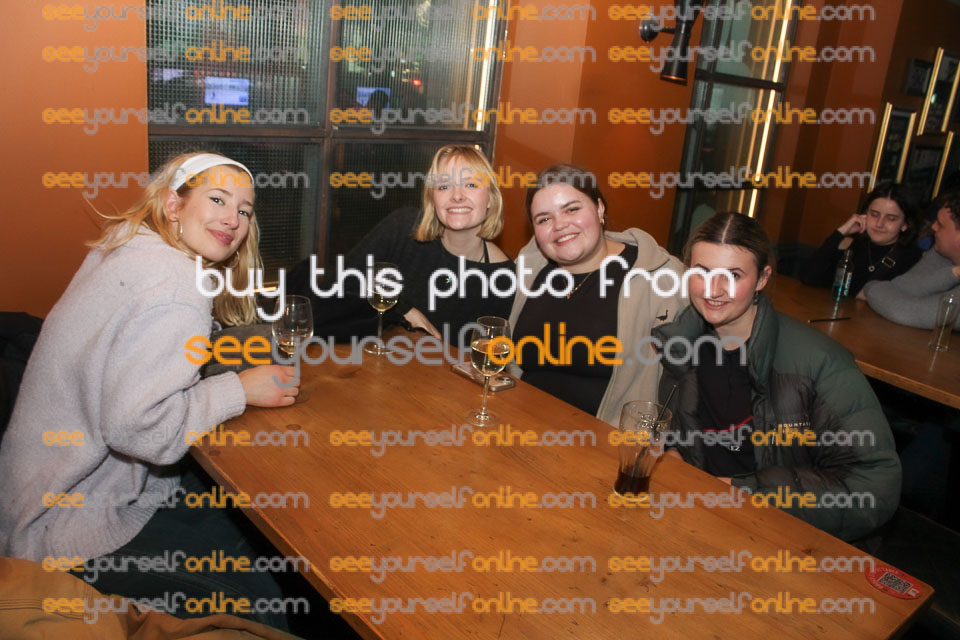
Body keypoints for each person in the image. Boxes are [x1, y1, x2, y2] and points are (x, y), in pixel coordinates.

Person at [0, 152, 300, 628]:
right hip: (62, 527)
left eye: (244, 210)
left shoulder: (126, 244)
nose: (233, 219)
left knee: (242, 519)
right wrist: (238, 389)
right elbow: (138, 430)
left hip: (25, 494)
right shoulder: (178, 288)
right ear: (173, 204)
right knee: (263, 600)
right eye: (217, 199)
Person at [654, 212, 901, 541]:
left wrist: (748, 493)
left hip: (782, 537)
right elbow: (689, 433)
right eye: (702, 272)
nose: (713, 289)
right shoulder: (680, 345)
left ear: (762, 279)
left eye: (733, 275)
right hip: (698, 518)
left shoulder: (819, 362)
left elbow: (875, 486)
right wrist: (675, 452)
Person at [507, 164, 686, 426]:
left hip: (605, 441)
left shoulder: (659, 278)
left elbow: (690, 379)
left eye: (572, 209)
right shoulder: (528, 268)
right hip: (517, 424)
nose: (560, 225)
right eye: (544, 219)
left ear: (599, 208)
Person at [289, 144, 513, 349]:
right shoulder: (403, 229)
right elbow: (342, 282)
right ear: (432, 199)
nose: (457, 196)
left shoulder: (503, 276)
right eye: (444, 186)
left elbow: (482, 359)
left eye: (471, 184)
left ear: (491, 198)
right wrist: (402, 308)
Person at [860, 189, 960, 328]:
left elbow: (908, 312)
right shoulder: (941, 253)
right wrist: (954, 273)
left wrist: (870, 288)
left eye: (940, 224)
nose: (933, 227)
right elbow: (900, 287)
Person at [801, 181, 922, 295]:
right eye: (874, 215)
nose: (879, 224)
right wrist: (841, 232)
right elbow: (808, 277)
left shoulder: (914, 260)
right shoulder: (850, 245)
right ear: (865, 214)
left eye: (891, 219)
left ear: (905, 224)